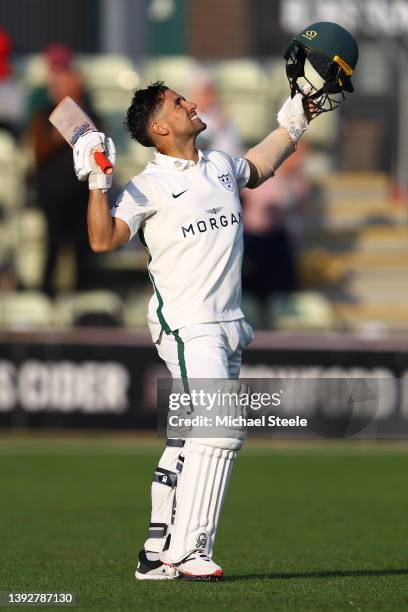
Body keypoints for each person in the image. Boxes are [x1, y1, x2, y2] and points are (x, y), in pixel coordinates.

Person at [72, 21, 358, 581]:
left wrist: (298, 113)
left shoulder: (221, 166)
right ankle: (189, 550)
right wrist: (96, 181)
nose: (190, 104)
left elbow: (261, 164)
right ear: (159, 126)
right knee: (221, 428)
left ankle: (156, 551)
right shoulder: (146, 187)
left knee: (187, 437)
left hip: (229, 325)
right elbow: (103, 239)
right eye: (178, 103)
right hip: (186, 326)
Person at [27, 44, 98, 296]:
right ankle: (46, 297)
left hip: (81, 193)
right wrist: (57, 137)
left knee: (83, 248)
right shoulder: (43, 115)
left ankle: (83, 298)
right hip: (52, 192)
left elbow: (99, 150)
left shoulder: (91, 115)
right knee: (53, 245)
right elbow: (37, 151)